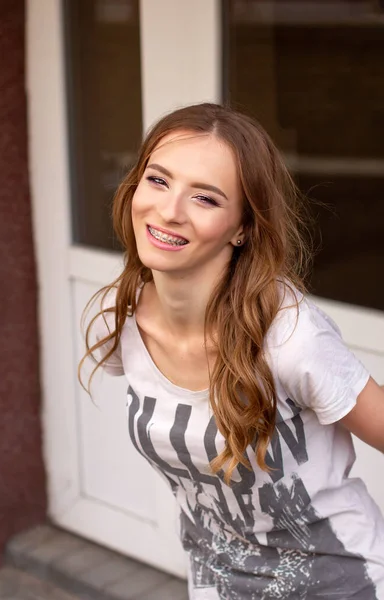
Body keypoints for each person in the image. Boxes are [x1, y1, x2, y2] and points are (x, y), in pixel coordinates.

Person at [79, 103, 384, 599]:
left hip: (340, 585)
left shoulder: (288, 337)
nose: (170, 210)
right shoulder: (125, 316)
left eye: (205, 197)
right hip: (218, 585)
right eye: (158, 180)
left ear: (242, 228)